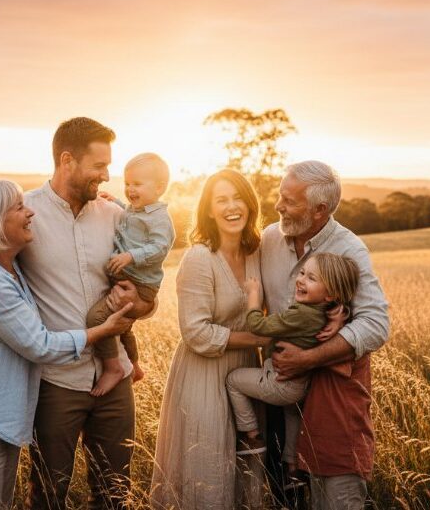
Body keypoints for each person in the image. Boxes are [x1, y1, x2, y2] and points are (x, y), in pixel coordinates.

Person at [0, 118, 156, 510]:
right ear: (67, 160)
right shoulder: (24, 214)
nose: (107, 176)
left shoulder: (116, 215)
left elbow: (147, 281)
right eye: (99, 165)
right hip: (56, 383)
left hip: (115, 373)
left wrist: (142, 305)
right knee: (47, 494)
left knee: (116, 492)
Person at [261, 161, 390, 510]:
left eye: (289, 200)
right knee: (284, 498)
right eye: (280, 195)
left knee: (336, 497)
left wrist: (307, 359)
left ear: (319, 210)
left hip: (332, 399)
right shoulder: (270, 238)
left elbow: (376, 324)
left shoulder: (349, 248)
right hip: (278, 398)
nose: (278, 206)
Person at [150, 169, 270, 510]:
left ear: (250, 204)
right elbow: (196, 332)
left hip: (246, 373)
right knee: (208, 466)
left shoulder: (256, 252)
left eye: (238, 198)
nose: (232, 207)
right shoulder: (200, 257)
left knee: (246, 461)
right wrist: (256, 341)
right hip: (203, 373)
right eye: (222, 200)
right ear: (209, 210)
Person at [225, 253, 359, 475]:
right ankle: (291, 463)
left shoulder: (302, 314)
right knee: (292, 414)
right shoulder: (328, 311)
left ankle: (250, 434)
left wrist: (254, 295)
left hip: (281, 384)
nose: (301, 279)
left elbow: (257, 325)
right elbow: (344, 308)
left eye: (311, 278)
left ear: (330, 295)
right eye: (303, 272)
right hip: (300, 386)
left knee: (233, 380)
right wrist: (342, 312)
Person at [87, 152, 176, 397]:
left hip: (141, 282)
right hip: (129, 278)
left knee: (96, 319)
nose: (130, 189)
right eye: (127, 183)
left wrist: (131, 256)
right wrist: (115, 200)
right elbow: (128, 213)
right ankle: (134, 366)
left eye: (137, 184)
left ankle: (113, 367)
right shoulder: (137, 210)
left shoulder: (159, 217)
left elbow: (160, 247)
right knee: (124, 329)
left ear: (159, 187)